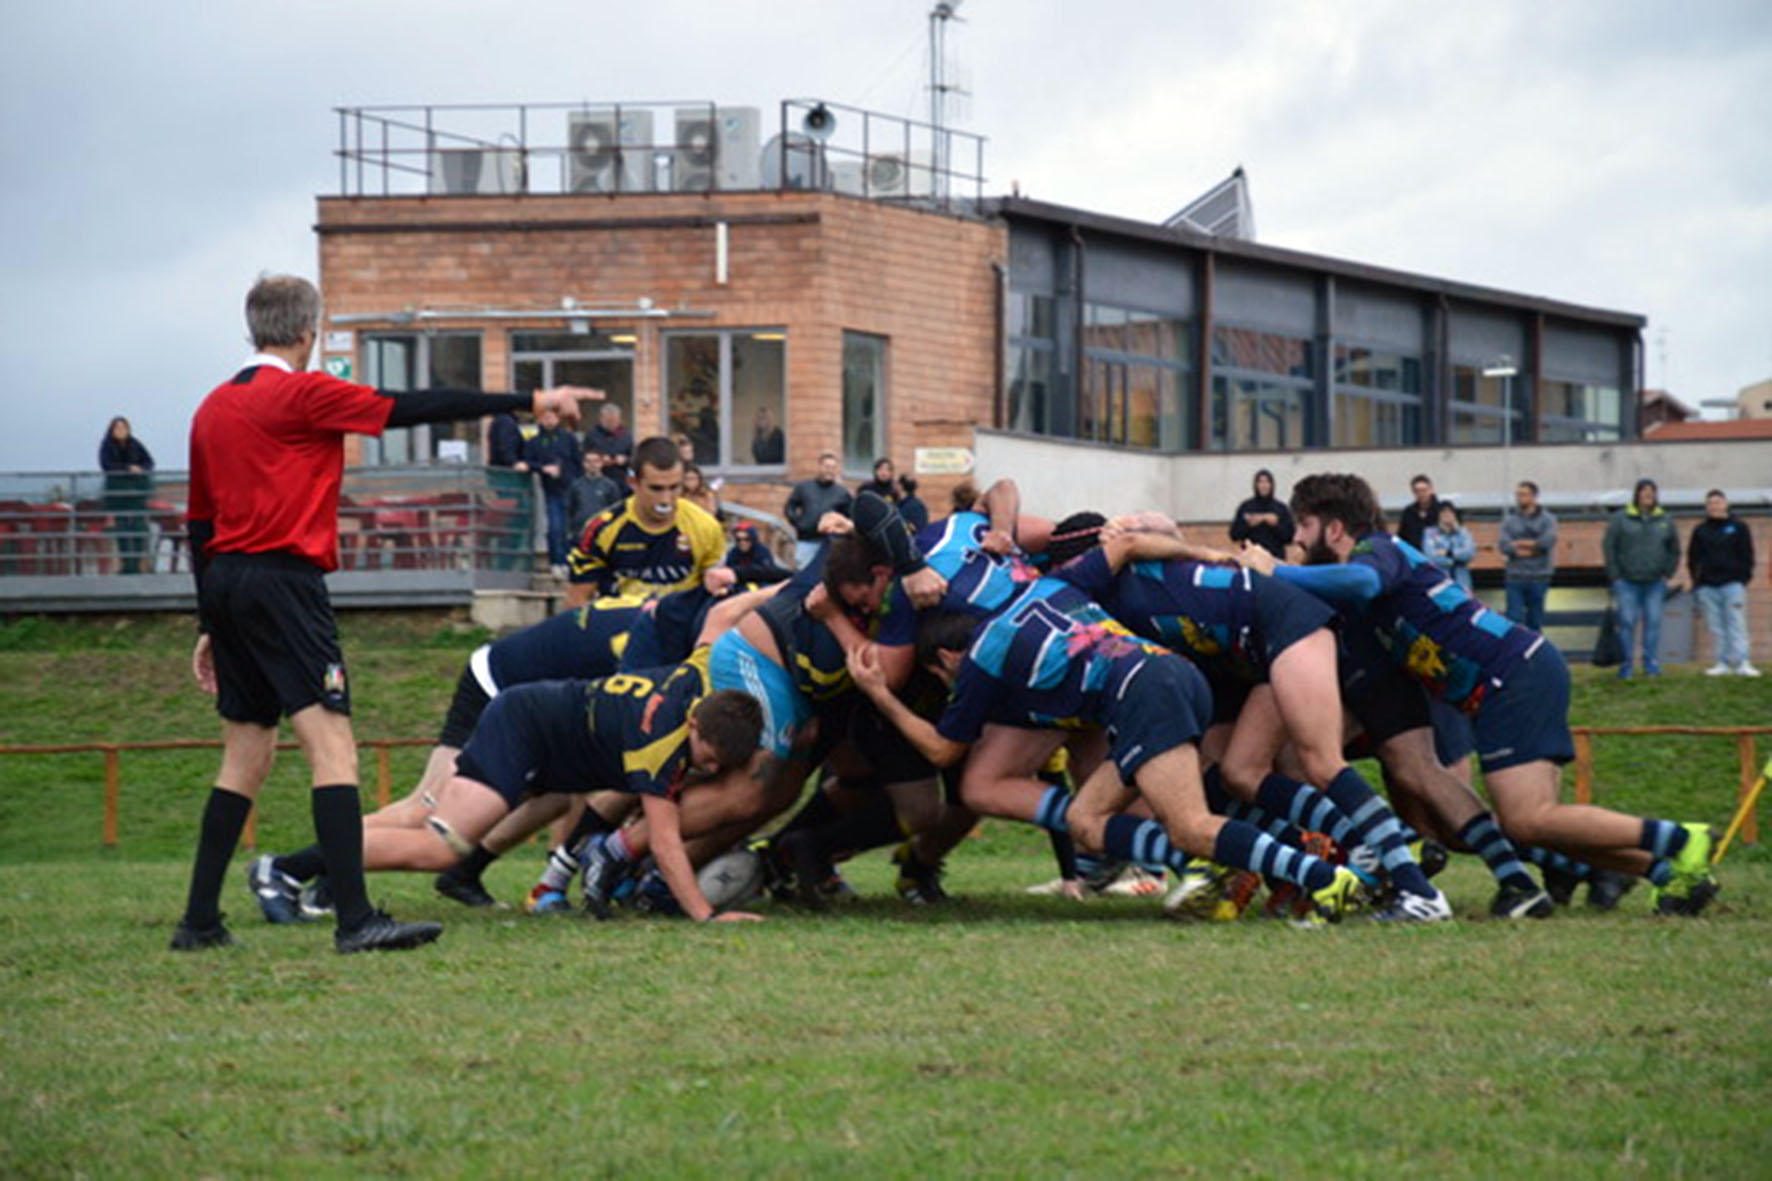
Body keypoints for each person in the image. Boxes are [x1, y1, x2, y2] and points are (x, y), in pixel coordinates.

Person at [173, 272, 586, 954]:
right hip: (284, 579)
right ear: (309, 331)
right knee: (332, 747)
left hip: (224, 578)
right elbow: (409, 406)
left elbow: (198, 521)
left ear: (253, 328)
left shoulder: (211, 407)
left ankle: (198, 921)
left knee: (244, 755)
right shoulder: (302, 392)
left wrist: (207, 622)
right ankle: (355, 920)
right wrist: (528, 398)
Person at [1243, 472, 1719, 917]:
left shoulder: (1378, 548)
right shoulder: (1361, 575)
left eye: (1304, 525)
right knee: (1538, 822)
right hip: (1509, 680)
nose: (1298, 538)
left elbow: (1362, 580)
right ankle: (1665, 873)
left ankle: (1681, 840)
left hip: (1512, 676)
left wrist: (1276, 572)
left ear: (1335, 528)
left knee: (1529, 818)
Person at [564, 435, 729, 607]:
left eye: (674, 487)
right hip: (620, 626)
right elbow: (577, 599)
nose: (666, 499)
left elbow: (718, 599)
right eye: (656, 488)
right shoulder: (601, 529)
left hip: (680, 627)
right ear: (633, 483)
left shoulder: (706, 527)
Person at [1603, 478, 1681, 679]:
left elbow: (1674, 549)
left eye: (1651, 491)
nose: (1647, 495)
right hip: (1626, 581)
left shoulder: (1665, 520)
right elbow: (1609, 546)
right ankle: (1626, 664)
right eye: (1643, 491)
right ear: (1636, 494)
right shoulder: (1621, 519)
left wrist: (1667, 573)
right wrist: (1616, 575)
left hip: (1655, 582)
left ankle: (1651, 663)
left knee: (1653, 622)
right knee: (1627, 622)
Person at [1688, 489, 1758, 677]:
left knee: (1736, 623)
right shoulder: (1700, 530)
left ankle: (1742, 662)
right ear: (1707, 507)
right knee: (1716, 626)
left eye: (1718, 502)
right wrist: (1698, 583)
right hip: (1708, 587)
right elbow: (1693, 558)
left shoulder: (1739, 527)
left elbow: (1747, 555)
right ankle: (1722, 663)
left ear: (1725, 504)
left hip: (1733, 585)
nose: (1715, 506)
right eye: (1711, 503)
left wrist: (1743, 578)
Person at [523, 406, 583, 575]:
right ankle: (556, 561)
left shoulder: (568, 438)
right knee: (555, 527)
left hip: (570, 488)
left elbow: (577, 461)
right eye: (545, 417)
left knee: (571, 528)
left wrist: (577, 482)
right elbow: (528, 463)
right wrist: (544, 469)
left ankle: (570, 560)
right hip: (551, 490)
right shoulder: (534, 442)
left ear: (558, 419)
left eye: (552, 417)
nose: (549, 421)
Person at [98, 416, 155, 574]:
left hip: (137, 493)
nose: (121, 431)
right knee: (122, 528)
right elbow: (107, 465)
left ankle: (136, 563)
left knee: (139, 528)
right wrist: (127, 469)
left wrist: (140, 469)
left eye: (124, 428)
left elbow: (149, 462)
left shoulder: (135, 444)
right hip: (118, 494)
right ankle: (126, 564)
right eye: (117, 428)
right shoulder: (107, 446)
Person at [1499, 480, 1556, 629]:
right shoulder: (1509, 520)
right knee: (1514, 619)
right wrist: (1533, 547)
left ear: (1534, 496)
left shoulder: (1548, 519)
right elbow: (1504, 545)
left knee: (1535, 620)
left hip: (1539, 575)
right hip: (1515, 576)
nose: (1519, 498)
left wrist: (1518, 544)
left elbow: (1546, 543)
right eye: (1518, 494)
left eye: (1524, 494)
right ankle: (1514, 651)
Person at [783, 451, 853, 568]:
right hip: (806, 542)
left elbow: (850, 515)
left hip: (830, 543)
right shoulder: (804, 487)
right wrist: (799, 523)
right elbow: (790, 507)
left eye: (833, 467)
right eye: (826, 467)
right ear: (819, 467)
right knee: (804, 575)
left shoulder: (842, 493)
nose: (829, 470)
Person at [1228, 468, 1293, 559]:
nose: (1264, 485)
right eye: (1260, 482)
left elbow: (1289, 538)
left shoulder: (1281, 508)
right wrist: (1248, 524)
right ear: (1255, 485)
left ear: (1272, 485)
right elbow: (1234, 536)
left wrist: (1276, 525)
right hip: (1251, 559)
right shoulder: (1246, 507)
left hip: (1275, 559)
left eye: (1267, 482)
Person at [565, 452, 623, 544]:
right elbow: (570, 509)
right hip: (580, 534)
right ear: (583, 464)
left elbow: (616, 511)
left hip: (602, 534)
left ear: (601, 463)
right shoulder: (576, 485)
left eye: (595, 461)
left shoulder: (610, 486)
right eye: (588, 461)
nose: (592, 464)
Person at [1422, 501, 1477, 593]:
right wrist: (1456, 560)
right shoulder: (1430, 533)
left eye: (1450, 512)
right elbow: (1431, 556)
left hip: (1462, 581)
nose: (1447, 515)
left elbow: (1469, 553)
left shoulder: (1463, 532)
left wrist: (1448, 553)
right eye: (1443, 512)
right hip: (1440, 581)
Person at [584, 402, 634, 487]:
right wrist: (599, 460)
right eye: (608, 421)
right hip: (598, 480)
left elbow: (634, 458)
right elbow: (583, 456)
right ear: (601, 419)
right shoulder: (592, 435)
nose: (611, 424)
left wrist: (625, 460)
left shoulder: (626, 435)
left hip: (620, 481)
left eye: (614, 420)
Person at [726, 522, 791, 585]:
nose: (742, 542)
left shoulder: (762, 552)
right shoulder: (733, 553)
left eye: (746, 539)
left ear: (753, 539)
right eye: (738, 539)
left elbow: (766, 574)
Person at [1395, 474, 1440, 551]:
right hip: (1415, 557)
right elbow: (1401, 536)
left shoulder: (1441, 510)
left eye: (1424, 490)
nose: (1421, 494)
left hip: (1438, 557)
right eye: (1417, 491)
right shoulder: (1409, 512)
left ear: (1431, 490)